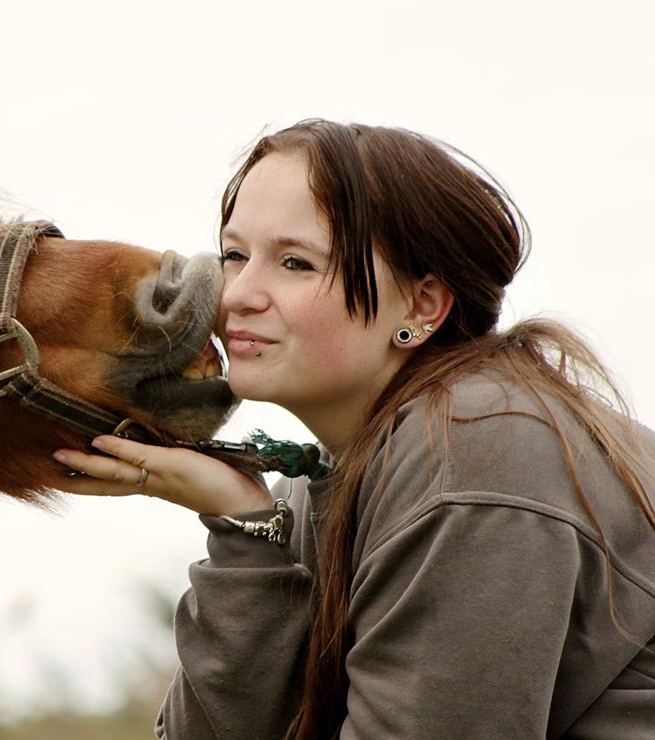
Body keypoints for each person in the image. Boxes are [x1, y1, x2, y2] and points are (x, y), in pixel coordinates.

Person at [53, 119, 655, 739]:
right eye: (234, 255)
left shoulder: (478, 455)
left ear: (422, 305)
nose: (237, 295)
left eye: (295, 262)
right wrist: (245, 527)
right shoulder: (327, 476)